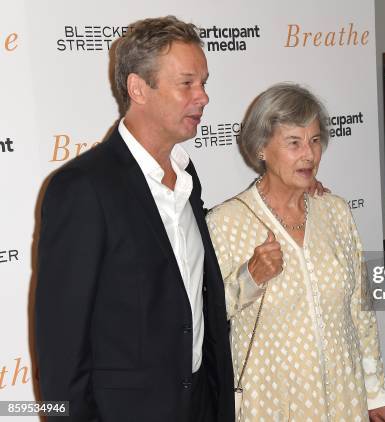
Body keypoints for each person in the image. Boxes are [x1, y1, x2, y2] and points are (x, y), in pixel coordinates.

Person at [35, 16, 234, 421]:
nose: (203, 97)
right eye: (187, 83)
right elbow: (61, 352)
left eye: (204, 83)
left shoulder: (187, 177)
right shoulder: (82, 189)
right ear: (138, 88)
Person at [206, 83, 385, 421]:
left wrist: (376, 393)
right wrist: (250, 278)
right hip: (272, 401)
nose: (309, 154)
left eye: (314, 140)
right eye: (294, 143)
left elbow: (361, 311)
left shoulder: (335, 211)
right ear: (261, 148)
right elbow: (205, 316)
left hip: (344, 395)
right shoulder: (226, 222)